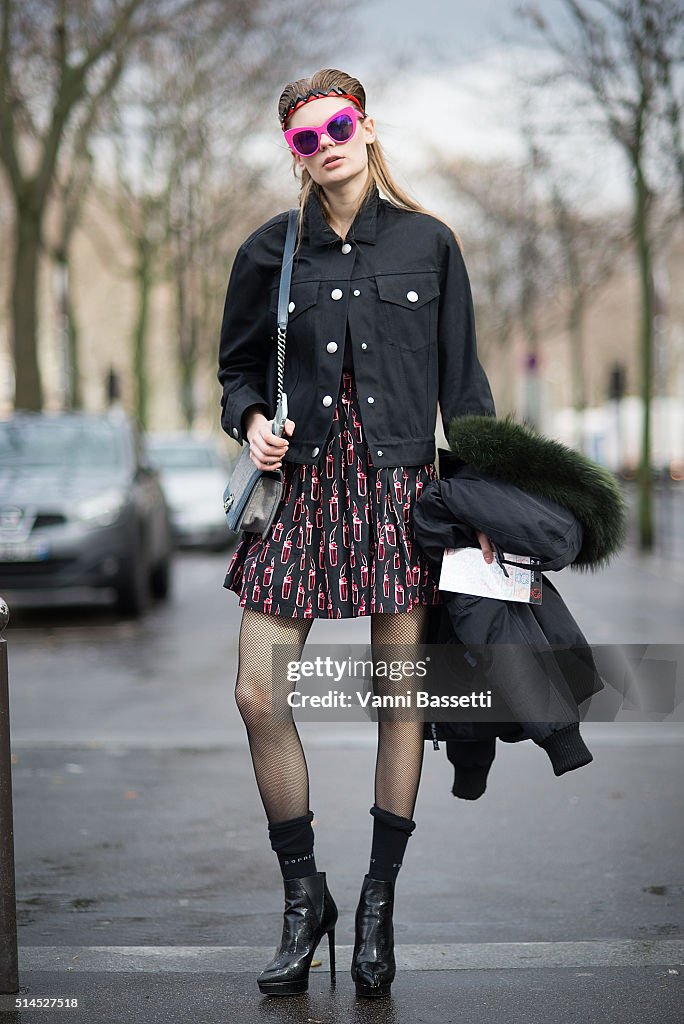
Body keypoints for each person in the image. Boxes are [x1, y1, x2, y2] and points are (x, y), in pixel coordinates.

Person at [217, 68, 496, 999]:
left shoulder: (430, 243)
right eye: (305, 137)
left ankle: (378, 903)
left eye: (337, 126)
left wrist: (492, 513)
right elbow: (238, 372)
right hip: (299, 493)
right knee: (259, 693)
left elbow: (468, 394)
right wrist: (252, 421)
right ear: (293, 153)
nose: (325, 143)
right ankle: (307, 897)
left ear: (368, 127)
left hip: (397, 495)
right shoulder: (272, 250)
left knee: (398, 698)